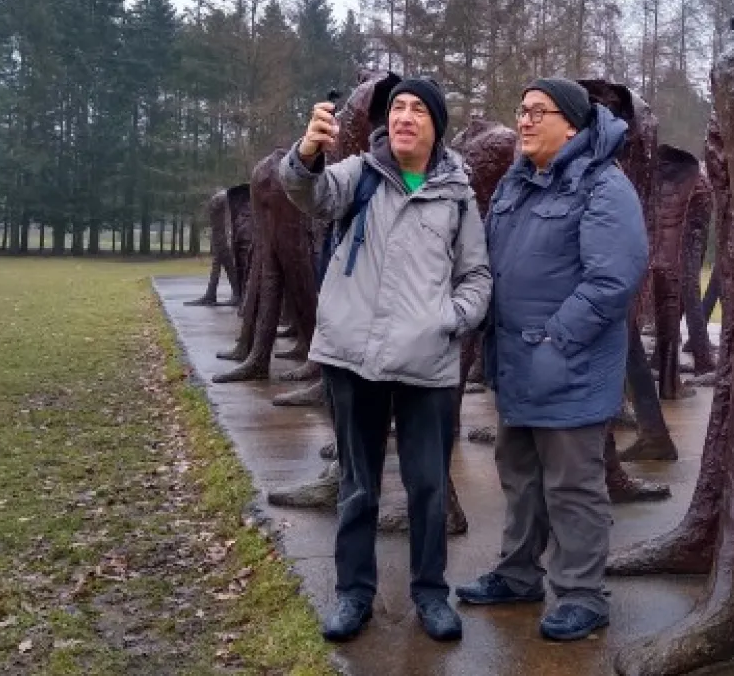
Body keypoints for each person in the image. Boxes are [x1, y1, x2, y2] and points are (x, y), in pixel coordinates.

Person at [278, 76, 492, 643]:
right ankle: (354, 595)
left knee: (426, 487)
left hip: (428, 365)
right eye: (397, 108)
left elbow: (476, 274)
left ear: (436, 126)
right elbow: (310, 194)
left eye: (418, 109)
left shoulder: (458, 194)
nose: (404, 117)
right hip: (354, 358)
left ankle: (430, 594)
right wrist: (305, 154)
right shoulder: (357, 174)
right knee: (358, 486)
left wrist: (452, 318)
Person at [454, 77, 648, 641]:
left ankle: (583, 594)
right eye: (522, 109)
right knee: (519, 474)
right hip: (517, 362)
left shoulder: (603, 186)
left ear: (573, 123)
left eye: (539, 111)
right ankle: (518, 574)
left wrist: (557, 339)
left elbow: (614, 279)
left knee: (573, 484)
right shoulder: (519, 184)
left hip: (569, 363)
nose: (525, 120)